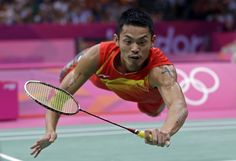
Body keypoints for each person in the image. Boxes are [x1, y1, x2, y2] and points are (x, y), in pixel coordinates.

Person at [30, 8, 188, 157]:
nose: (134, 49)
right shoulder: (100, 55)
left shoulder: (160, 71)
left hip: (146, 94)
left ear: (152, 41)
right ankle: (79, 61)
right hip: (104, 79)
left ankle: (80, 64)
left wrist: (165, 131)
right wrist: (50, 130)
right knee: (78, 70)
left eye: (141, 42)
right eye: (128, 41)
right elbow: (60, 96)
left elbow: (178, 106)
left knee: (152, 112)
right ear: (116, 40)